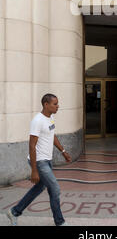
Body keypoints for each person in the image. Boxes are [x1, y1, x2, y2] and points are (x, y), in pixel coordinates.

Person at [7, 93, 72, 226]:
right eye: (55, 104)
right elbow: (31, 145)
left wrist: (63, 151)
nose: (58, 106)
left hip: (47, 160)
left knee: (38, 188)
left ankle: (14, 212)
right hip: (39, 162)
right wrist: (34, 171)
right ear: (46, 104)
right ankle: (60, 222)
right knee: (55, 189)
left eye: (57, 103)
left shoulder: (51, 118)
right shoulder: (38, 120)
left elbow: (52, 135)